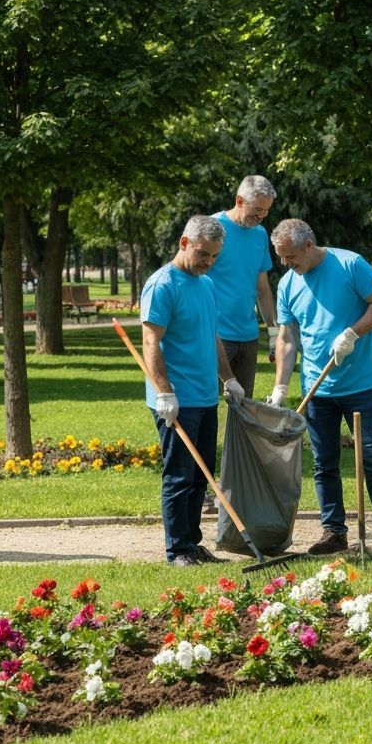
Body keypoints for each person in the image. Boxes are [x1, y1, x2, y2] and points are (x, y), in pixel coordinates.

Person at [266, 218, 372, 556]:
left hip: (359, 384)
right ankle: (334, 532)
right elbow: (286, 338)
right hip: (317, 389)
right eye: (281, 258)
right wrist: (281, 388)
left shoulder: (349, 264)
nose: (286, 264)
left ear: (309, 246)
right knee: (324, 463)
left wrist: (352, 333)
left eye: (290, 257)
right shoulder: (287, 284)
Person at [141, 215, 244, 566]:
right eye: (203, 254)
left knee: (201, 476)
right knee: (180, 475)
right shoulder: (162, 284)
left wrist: (228, 379)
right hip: (175, 400)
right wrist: (164, 393)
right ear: (184, 243)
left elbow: (213, 337)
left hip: (204, 396)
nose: (208, 262)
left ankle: (192, 543)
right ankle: (177, 550)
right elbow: (150, 341)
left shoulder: (206, 284)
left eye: (214, 256)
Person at [206, 174, 279, 397]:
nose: (262, 216)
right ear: (239, 201)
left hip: (248, 335)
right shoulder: (213, 228)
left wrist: (274, 331)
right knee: (205, 405)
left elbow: (262, 287)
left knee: (242, 410)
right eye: (257, 209)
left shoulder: (259, 234)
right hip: (215, 334)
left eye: (266, 211)